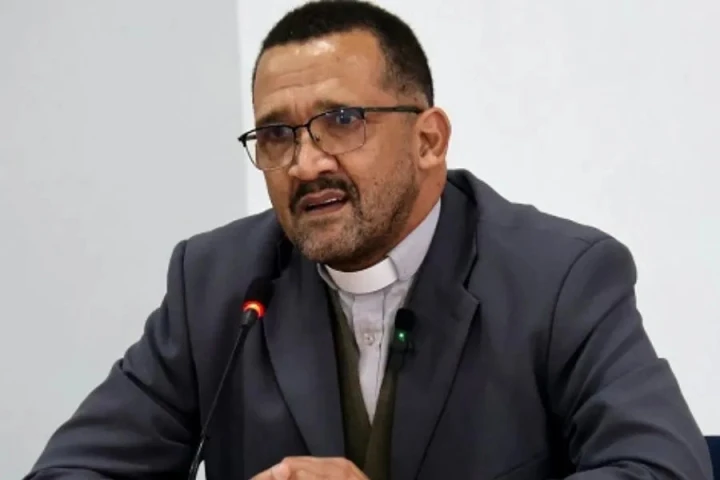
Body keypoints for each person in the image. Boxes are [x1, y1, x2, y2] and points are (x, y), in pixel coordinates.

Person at [25, 1, 713, 479]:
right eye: (276, 134)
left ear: (428, 140)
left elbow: (660, 469)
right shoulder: (214, 281)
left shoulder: (558, 278)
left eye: (343, 120)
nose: (305, 163)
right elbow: (72, 472)